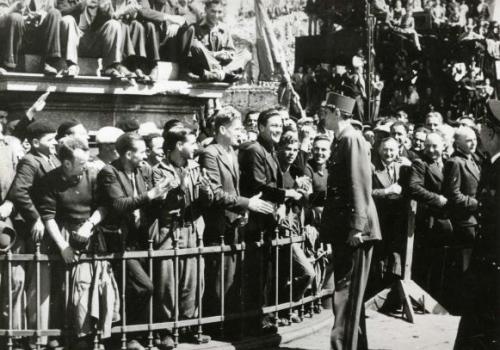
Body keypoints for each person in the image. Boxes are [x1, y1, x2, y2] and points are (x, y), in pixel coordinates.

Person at [38, 137, 119, 349]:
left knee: (88, 286)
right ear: (66, 163)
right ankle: (66, 335)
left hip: (90, 233)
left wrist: (90, 224)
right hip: (63, 235)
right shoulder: (50, 180)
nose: (85, 166)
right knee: (64, 288)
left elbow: (103, 206)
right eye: (80, 162)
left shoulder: (92, 175)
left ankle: (89, 335)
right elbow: (48, 217)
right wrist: (63, 246)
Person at [198, 106, 274, 332]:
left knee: (232, 279)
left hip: (235, 223)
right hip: (219, 225)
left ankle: (230, 324)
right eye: (237, 128)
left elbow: (236, 186)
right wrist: (246, 203)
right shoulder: (210, 153)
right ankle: (215, 326)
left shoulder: (233, 152)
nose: (241, 132)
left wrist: (245, 207)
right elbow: (216, 192)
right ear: (223, 129)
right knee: (219, 279)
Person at [97, 133, 170, 350]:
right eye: (141, 151)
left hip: (141, 239)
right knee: (142, 286)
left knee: (143, 287)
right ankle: (129, 337)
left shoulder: (142, 170)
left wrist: (162, 195)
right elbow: (119, 205)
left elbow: (150, 203)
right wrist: (151, 194)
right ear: (129, 153)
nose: (146, 154)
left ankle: (142, 335)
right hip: (119, 241)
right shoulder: (109, 172)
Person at [320, 93, 381, 350]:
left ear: (336, 111)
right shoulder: (341, 139)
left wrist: (357, 226)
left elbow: (360, 183)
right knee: (349, 294)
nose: (323, 115)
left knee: (346, 293)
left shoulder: (351, 139)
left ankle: (342, 346)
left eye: (326, 111)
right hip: (346, 226)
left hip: (355, 229)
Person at [239, 108, 303, 334]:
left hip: (267, 221)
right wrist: (286, 195)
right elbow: (258, 185)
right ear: (261, 127)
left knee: (264, 273)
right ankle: (254, 320)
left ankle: (262, 316)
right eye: (273, 126)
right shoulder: (255, 150)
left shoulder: (270, 151)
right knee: (255, 274)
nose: (277, 129)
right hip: (255, 219)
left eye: (280, 126)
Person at [152, 126, 212, 347]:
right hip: (170, 231)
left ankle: (188, 327)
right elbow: (160, 202)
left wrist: (207, 192)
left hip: (193, 228)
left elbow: (207, 200)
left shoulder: (197, 168)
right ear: (179, 145)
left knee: (193, 280)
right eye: (192, 142)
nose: (195, 146)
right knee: (167, 282)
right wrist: (180, 188)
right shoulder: (158, 170)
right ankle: (165, 330)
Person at [7, 121, 60, 348]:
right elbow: (19, 191)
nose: (55, 142)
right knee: (37, 283)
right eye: (50, 140)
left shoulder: (53, 159)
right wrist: (36, 218)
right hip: (34, 230)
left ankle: (42, 335)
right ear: (36, 142)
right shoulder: (30, 160)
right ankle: (31, 337)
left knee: (45, 283)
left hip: (50, 226)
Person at [454, 100, 500, 350]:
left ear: (491, 133)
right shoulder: (491, 164)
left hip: (492, 271)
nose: (479, 132)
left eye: (482, 126)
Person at [408, 132, 452, 294]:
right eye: (427, 146)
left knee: (442, 262)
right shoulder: (420, 164)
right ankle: (421, 297)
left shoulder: (449, 163)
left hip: (447, 220)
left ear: (444, 146)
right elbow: (414, 187)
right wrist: (436, 198)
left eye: (435, 146)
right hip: (429, 220)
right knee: (425, 262)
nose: (430, 150)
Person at [57, 0, 134, 78]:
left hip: (95, 44)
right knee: (67, 19)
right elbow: (60, 13)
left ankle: (110, 67)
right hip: (75, 42)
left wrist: (102, 8)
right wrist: (82, 4)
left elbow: (110, 20)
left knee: (114, 24)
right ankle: (71, 65)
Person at [370, 137, 408, 297]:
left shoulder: (403, 167)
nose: (388, 153)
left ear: (398, 150)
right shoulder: (372, 168)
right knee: (380, 257)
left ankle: (393, 293)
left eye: (392, 150)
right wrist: (386, 191)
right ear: (379, 150)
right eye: (385, 149)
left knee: (396, 256)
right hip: (380, 218)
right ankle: (377, 292)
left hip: (398, 220)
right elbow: (368, 191)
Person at [179, 0, 251, 82]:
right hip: (205, 66)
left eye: (219, 12)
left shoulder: (224, 29)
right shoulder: (195, 28)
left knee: (246, 54)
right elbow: (191, 54)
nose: (216, 15)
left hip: (221, 65)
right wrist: (216, 55)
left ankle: (219, 74)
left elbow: (231, 50)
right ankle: (224, 75)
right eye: (213, 11)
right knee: (196, 46)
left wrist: (228, 54)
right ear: (206, 9)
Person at [442, 126, 480, 271]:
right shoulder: (455, 162)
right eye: (469, 141)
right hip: (464, 222)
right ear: (457, 143)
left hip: (474, 220)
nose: (473, 143)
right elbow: (454, 195)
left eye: (475, 140)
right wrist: (477, 203)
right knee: (463, 264)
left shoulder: (474, 159)